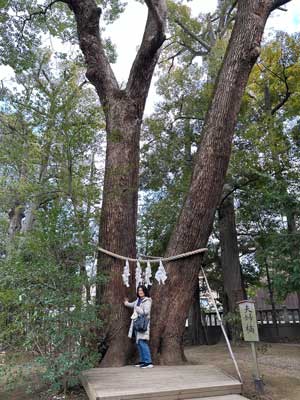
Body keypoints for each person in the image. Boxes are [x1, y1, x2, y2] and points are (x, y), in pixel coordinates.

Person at [124, 285, 153, 368]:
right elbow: (132, 305)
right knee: (138, 343)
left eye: (141, 290)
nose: (140, 292)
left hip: (143, 324)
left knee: (142, 342)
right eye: (139, 290)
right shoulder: (138, 300)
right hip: (137, 323)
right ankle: (142, 361)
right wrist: (126, 303)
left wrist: (137, 309)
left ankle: (148, 362)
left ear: (145, 291)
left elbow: (146, 312)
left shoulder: (147, 301)